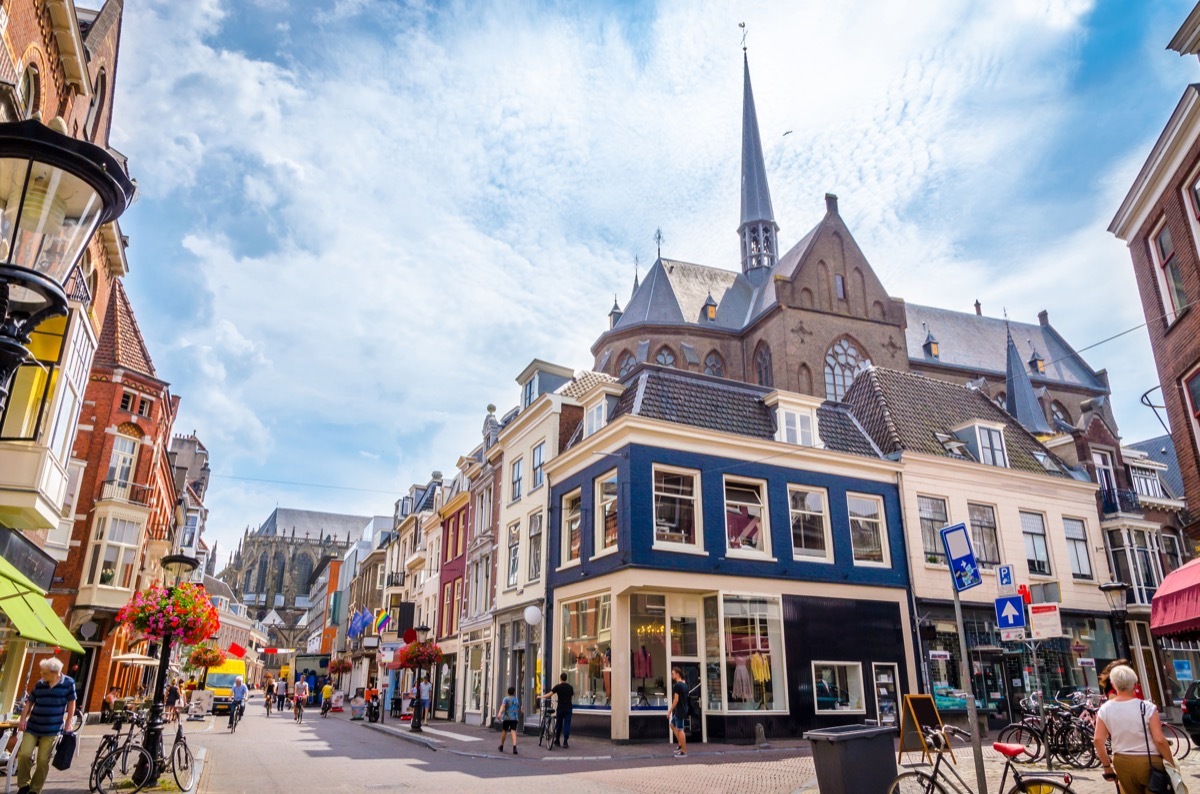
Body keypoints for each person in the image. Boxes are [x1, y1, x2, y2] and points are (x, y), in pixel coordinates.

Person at [1093, 664, 1177, 794]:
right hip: (1150, 761)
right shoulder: (1147, 707)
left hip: (1122, 761)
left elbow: (1098, 740)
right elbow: (1159, 740)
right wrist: (1171, 765)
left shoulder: (1105, 709)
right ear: (1135, 684)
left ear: (1113, 685)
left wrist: (1107, 766)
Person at [15, 657, 76, 794]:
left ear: (55, 673)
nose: (42, 675)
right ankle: (24, 785)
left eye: (45, 673)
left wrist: (69, 722)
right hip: (33, 726)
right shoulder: (40, 683)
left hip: (52, 729)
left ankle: (35, 789)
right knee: (24, 754)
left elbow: (72, 703)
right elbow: (29, 702)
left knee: (43, 760)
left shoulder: (68, 683)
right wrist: (23, 719)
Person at [542, 672, 574, 749]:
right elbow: (571, 696)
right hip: (568, 708)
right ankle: (565, 741)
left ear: (560, 678)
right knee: (567, 724)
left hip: (560, 708)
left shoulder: (558, 687)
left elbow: (550, 694)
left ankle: (557, 740)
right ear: (566, 678)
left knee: (559, 724)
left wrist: (541, 697)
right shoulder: (570, 687)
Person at [667, 666, 689, 758]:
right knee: (672, 725)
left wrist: (669, 711)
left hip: (680, 710)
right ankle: (680, 744)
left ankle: (684, 751)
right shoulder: (684, 684)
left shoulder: (677, 685)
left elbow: (676, 700)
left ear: (677, 674)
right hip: (683, 708)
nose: (672, 675)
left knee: (680, 730)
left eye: (673, 673)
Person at [496, 686, 521, 755]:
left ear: (507, 692)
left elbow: (503, 706)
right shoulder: (516, 700)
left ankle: (501, 746)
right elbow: (518, 708)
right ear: (514, 692)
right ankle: (514, 746)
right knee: (513, 731)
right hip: (514, 718)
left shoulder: (506, 699)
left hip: (507, 718)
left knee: (504, 731)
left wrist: (499, 713)